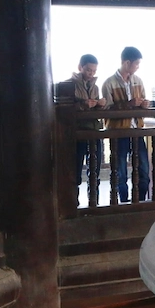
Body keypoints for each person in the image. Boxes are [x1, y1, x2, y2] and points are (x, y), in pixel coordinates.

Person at [102, 46, 150, 202]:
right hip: (118, 132)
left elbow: (142, 100)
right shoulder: (109, 83)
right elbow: (106, 109)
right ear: (127, 62)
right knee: (120, 171)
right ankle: (123, 202)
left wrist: (143, 105)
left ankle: (140, 201)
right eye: (136, 64)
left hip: (136, 130)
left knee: (144, 169)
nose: (138, 67)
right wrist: (128, 104)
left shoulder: (138, 81)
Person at [64, 54, 106, 205]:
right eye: (88, 70)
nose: (91, 73)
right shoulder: (68, 85)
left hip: (94, 131)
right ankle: (72, 202)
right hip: (77, 131)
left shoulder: (95, 87)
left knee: (95, 169)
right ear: (80, 67)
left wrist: (101, 104)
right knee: (74, 169)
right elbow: (63, 110)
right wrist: (83, 105)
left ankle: (93, 200)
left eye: (94, 71)